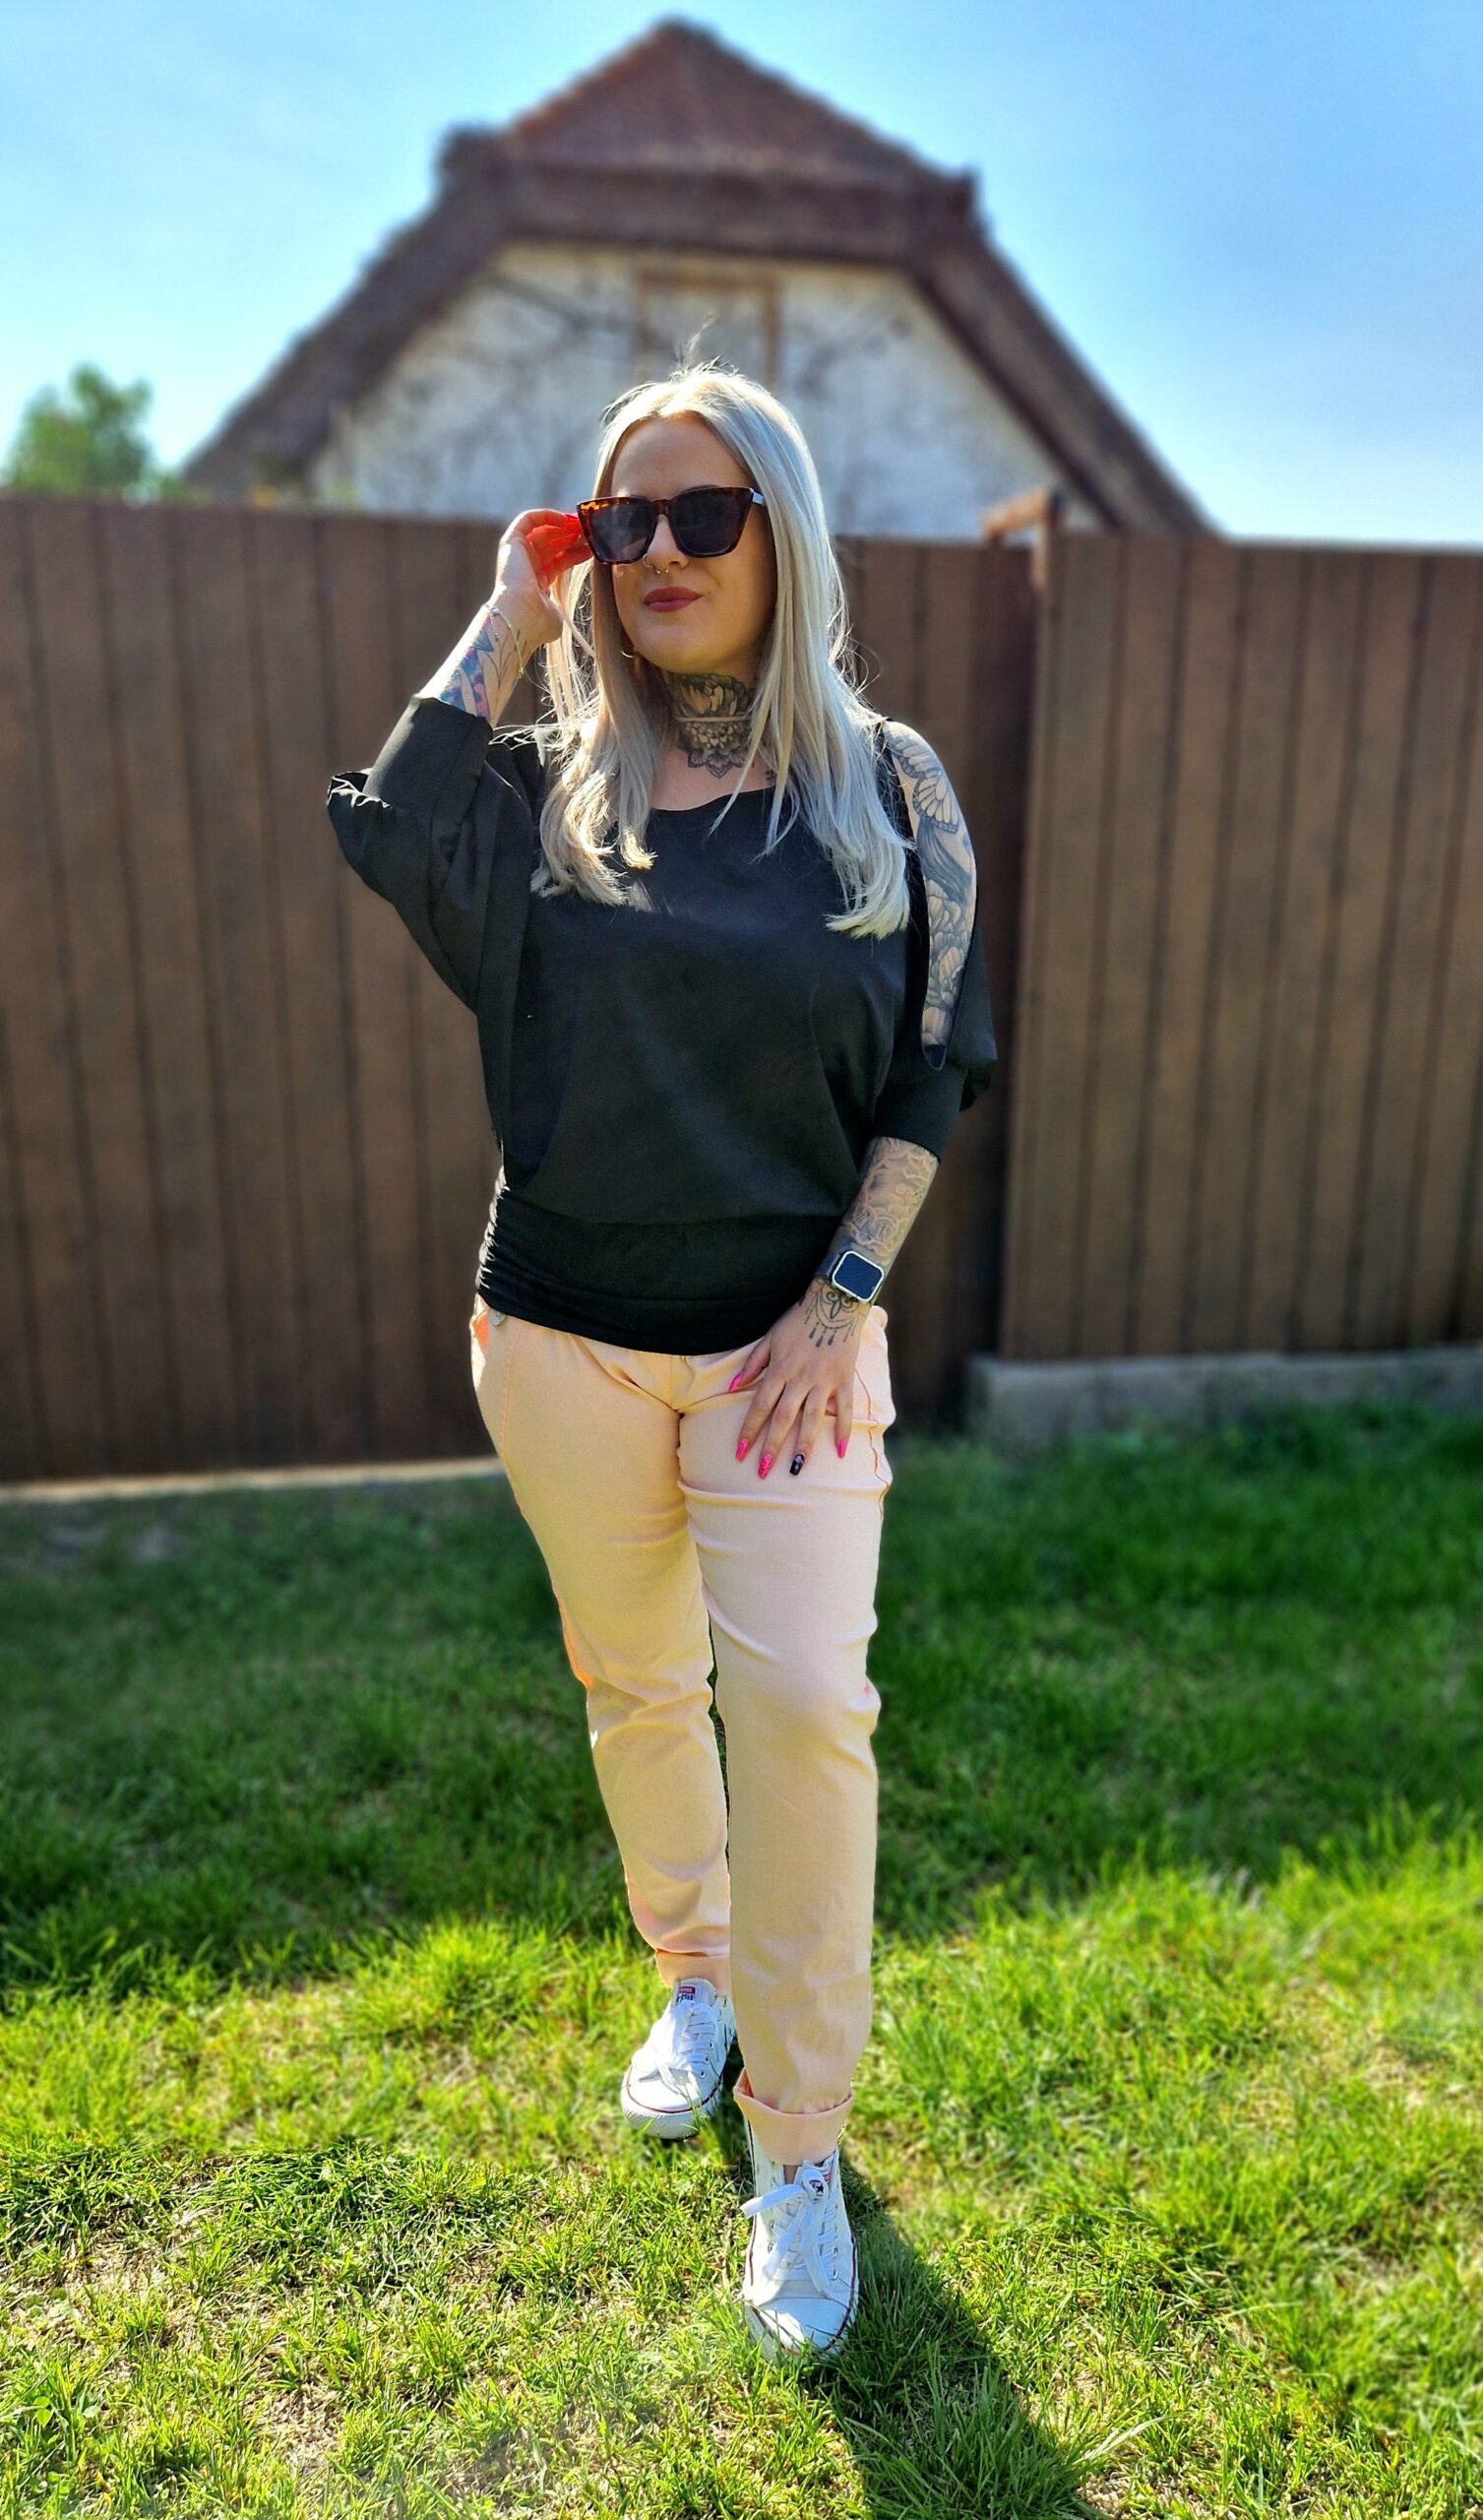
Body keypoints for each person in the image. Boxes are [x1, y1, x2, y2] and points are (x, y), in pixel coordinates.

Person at [325, 361, 997, 2363]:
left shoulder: (889, 791)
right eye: (626, 523)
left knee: (801, 1720)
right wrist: (511, 607)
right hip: (561, 1339)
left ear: (786, 534)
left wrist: (842, 1297)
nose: (663, 553)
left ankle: (800, 2143)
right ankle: (693, 1976)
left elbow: (931, 1074)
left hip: (795, 1352)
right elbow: (391, 825)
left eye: (707, 515)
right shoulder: (553, 788)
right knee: (637, 1685)